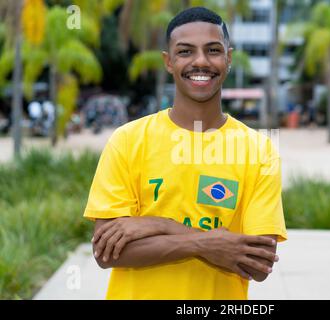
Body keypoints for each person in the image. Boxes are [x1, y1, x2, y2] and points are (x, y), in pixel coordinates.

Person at [84, 7, 287, 300]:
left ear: (229, 58)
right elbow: (107, 253)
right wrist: (205, 245)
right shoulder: (128, 140)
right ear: (169, 61)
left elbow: (257, 264)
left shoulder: (258, 150)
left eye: (213, 50)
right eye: (185, 51)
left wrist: (157, 224)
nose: (201, 61)